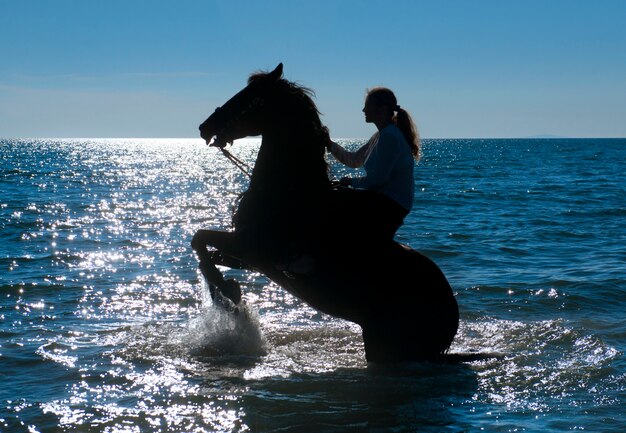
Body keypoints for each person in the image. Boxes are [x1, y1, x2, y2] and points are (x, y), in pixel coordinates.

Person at [327, 87, 420, 242]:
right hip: (382, 199)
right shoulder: (380, 135)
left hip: (391, 204)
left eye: (368, 105)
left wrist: (350, 182)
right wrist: (329, 144)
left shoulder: (390, 136)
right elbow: (354, 160)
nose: (363, 110)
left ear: (382, 109)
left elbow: (377, 180)